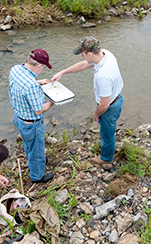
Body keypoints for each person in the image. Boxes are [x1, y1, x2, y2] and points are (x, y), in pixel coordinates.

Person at [51, 36, 124, 165]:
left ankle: (106, 159)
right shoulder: (106, 54)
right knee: (108, 129)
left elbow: (104, 104)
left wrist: (97, 114)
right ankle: (108, 150)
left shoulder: (103, 75)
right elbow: (83, 65)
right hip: (117, 97)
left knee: (107, 134)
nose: (81, 56)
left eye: (83, 54)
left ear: (90, 53)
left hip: (110, 106)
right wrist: (63, 72)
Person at [9, 49, 54, 183]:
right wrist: (54, 101)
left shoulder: (15, 69)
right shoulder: (31, 86)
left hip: (19, 118)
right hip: (32, 124)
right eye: (44, 67)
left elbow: (23, 84)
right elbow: (39, 110)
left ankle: (33, 163)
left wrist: (38, 81)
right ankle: (37, 176)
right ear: (39, 66)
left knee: (29, 145)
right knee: (37, 150)